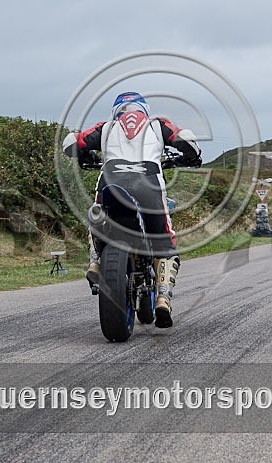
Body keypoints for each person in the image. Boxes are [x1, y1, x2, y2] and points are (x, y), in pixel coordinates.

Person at [62, 92, 201, 328]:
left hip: (111, 181)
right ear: (144, 110)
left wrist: (85, 156)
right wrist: (191, 156)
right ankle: (163, 299)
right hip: (149, 185)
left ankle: (95, 261)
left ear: (117, 111)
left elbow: (71, 143)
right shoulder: (158, 126)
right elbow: (186, 140)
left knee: (96, 214)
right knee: (165, 245)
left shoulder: (105, 128)